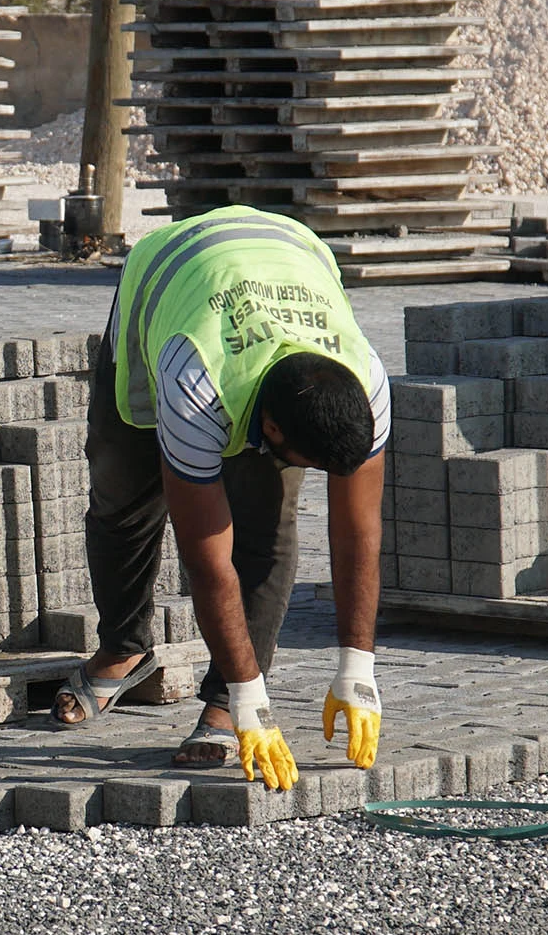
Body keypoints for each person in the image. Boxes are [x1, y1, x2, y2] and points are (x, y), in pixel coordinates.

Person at [48, 204, 390, 790]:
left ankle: (225, 705)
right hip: (170, 283)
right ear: (275, 430)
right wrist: (261, 699)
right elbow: (208, 564)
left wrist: (357, 669)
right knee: (123, 496)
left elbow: (358, 533)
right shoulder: (194, 382)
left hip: (291, 256)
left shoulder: (364, 381)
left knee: (268, 527)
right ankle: (125, 648)